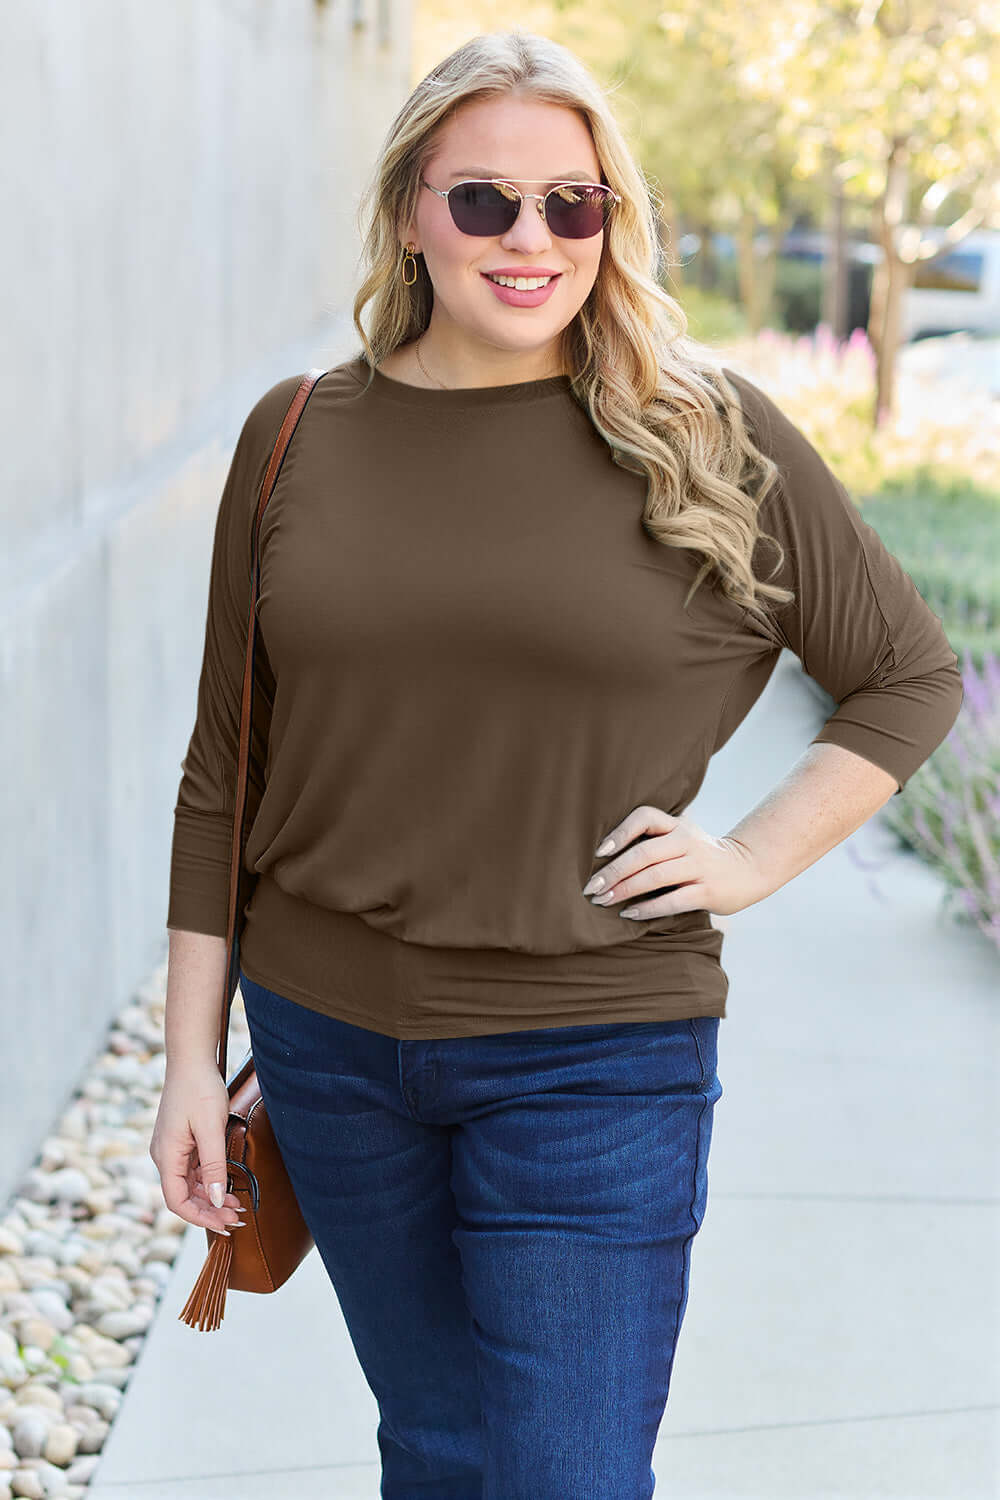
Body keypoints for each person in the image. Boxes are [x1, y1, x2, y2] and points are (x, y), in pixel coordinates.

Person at [149, 28, 964, 1499]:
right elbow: (225, 766)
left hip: (596, 1056)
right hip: (332, 1052)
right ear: (411, 208)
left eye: (572, 205)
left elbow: (904, 674)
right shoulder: (294, 439)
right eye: (486, 203)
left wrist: (756, 856)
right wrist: (191, 1066)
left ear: (611, 218)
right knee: (442, 1448)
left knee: (568, 1477)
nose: (532, 241)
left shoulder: (710, 437)